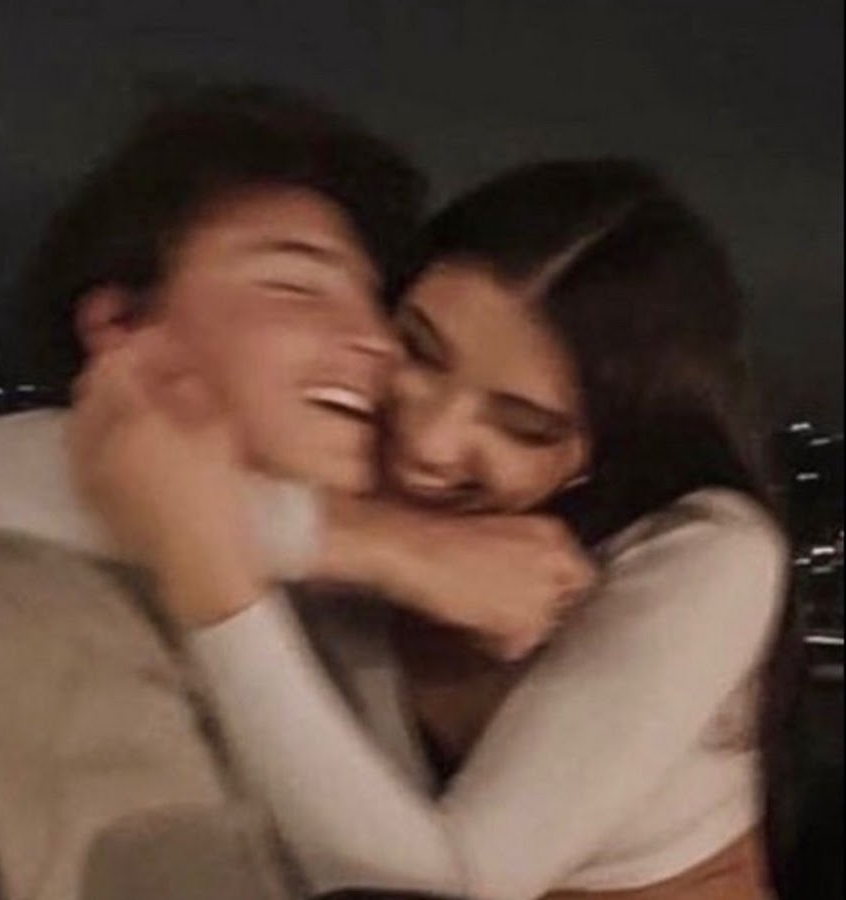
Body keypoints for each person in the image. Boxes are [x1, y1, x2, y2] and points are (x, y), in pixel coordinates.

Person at [73, 160, 791, 899]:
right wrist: (375, 544)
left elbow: (462, 880)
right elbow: (27, 473)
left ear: (610, 450)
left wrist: (224, 584)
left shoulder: (707, 553)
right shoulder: (346, 468)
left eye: (522, 425)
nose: (429, 440)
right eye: (419, 349)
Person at [0, 83, 586, 900]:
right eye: (296, 285)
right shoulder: (24, 636)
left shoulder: (352, 621)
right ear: (120, 328)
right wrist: (387, 546)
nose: (377, 343)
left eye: (382, 308)